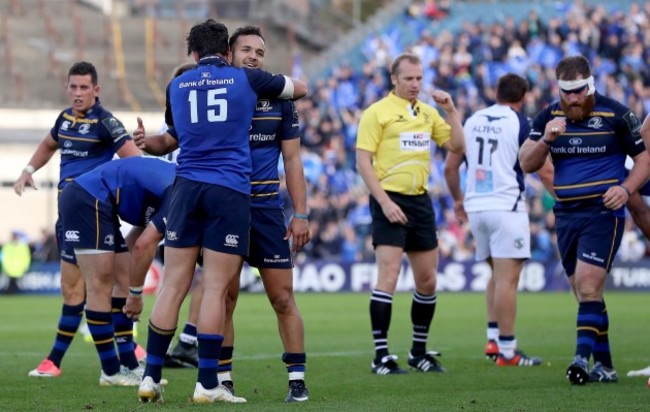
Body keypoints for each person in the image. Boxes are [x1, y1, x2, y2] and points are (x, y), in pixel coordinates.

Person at [134, 19, 307, 404]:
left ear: (192, 54)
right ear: (228, 53)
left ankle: (150, 377)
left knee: (174, 284)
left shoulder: (177, 84)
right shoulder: (246, 80)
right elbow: (301, 88)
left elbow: (170, 139)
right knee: (215, 289)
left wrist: (147, 143)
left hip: (185, 188)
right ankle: (207, 383)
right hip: (228, 191)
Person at [518, 55, 650, 385]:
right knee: (584, 294)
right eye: (567, 92)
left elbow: (644, 158)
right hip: (566, 215)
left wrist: (626, 188)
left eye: (578, 90)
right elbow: (526, 162)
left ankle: (580, 359)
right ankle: (604, 366)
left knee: (589, 286)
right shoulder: (549, 116)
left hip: (603, 213)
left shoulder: (618, 114)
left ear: (590, 84)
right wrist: (547, 139)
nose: (573, 98)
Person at [12, 61, 142, 378]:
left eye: (85, 87)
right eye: (74, 86)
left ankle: (124, 366)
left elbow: (134, 162)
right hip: (70, 214)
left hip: (98, 210)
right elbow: (48, 144)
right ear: (67, 87)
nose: (78, 93)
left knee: (118, 285)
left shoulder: (106, 122)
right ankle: (66, 363)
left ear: (96, 90)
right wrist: (28, 171)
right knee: (75, 291)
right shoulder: (64, 119)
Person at [209, 26, 310, 402]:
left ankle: (297, 380)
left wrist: (301, 213)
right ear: (229, 54)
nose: (254, 56)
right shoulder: (215, 95)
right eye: (246, 50)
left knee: (283, 298)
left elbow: (293, 160)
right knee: (225, 298)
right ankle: (223, 378)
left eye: (260, 52)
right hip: (226, 209)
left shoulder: (279, 100)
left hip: (267, 210)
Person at [355, 52, 464, 375]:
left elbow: (458, 146)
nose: (415, 84)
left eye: (419, 79)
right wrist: (384, 202)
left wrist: (452, 111)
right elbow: (363, 161)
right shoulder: (377, 113)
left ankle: (418, 352)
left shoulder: (428, 113)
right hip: (388, 199)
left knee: (428, 280)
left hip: (420, 201)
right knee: (388, 276)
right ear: (394, 79)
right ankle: (381, 356)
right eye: (409, 79)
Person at [444, 73, 554, 367]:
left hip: (477, 207)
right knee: (508, 280)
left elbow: (450, 168)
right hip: (506, 206)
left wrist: (457, 200)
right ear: (524, 97)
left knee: (496, 274)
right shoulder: (521, 122)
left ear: (496, 92)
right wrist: (562, 199)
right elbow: (543, 169)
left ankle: (493, 337)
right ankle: (508, 350)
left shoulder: (472, 120)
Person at [59, 156, 174, 386]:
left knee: (120, 279)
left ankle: (129, 364)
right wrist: (136, 294)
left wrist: (131, 285)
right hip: (89, 199)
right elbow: (144, 245)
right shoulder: (180, 193)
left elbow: (138, 239)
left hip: (101, 202)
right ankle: (110, 371)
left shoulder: (177, 185)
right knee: (99, 284)